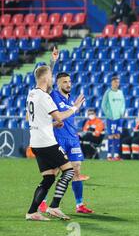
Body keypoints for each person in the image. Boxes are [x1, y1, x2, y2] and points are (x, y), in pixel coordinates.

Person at [25, 65, 85, 221]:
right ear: (45, 78)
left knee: (49, 178)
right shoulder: (45, 97)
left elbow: (30, 119)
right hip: (47, 142)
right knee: (69, 171)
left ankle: (32, 212)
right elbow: (60, 116)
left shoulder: (31, 94)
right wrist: (75, 108)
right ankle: (54, 207)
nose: (52, 79)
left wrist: (50, 125)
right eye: (51, 76)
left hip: (36, 142)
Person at [39, 72, 94, 214]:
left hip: (73, 140)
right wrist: (53, 61)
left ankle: (79, 205)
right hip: (59, 139)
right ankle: (42, 203)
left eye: (69, 81)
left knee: (76, 170)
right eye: (64, 82)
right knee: (54, 172)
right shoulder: (53, 96)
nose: (68, 84)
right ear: (57, 84)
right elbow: (44, 81)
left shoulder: (71, 100)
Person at [101, 75, 125, 161]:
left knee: (117, 135)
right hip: (111, 118)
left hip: (119, 118)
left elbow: (123, 104)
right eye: (115, 82)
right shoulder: (108, 92)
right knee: (111, 135)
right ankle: (109, 155)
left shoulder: (120, 92)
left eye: (118, 82)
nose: (117, 84)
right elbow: (103, 105)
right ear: (112, 82)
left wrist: (122, 113)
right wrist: (108, 115)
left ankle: (116, 155)